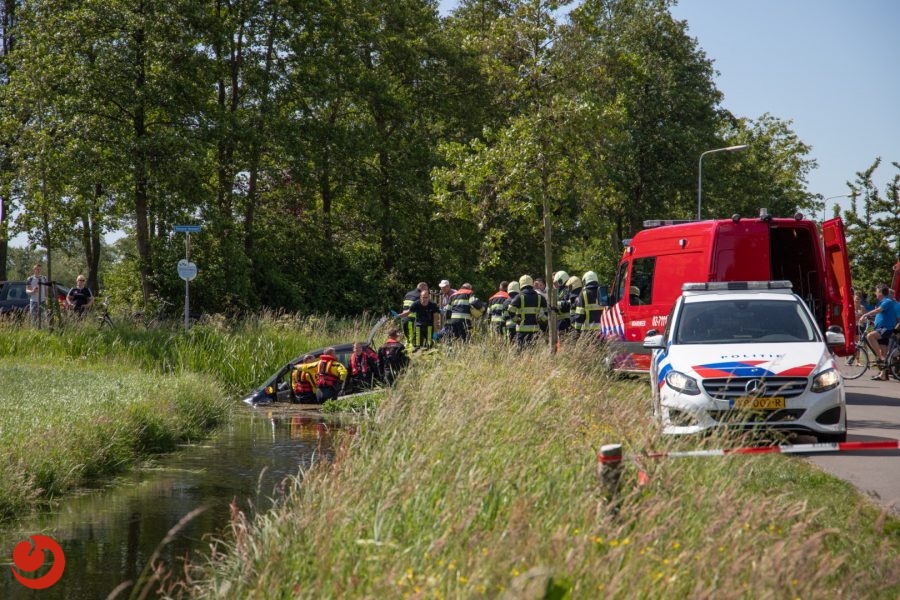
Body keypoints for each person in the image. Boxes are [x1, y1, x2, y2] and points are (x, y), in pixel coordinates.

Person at [860, 284, 899, 380]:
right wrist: (872, 319)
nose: (875, 293)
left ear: (880, 292)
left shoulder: (887, 301)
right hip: (881, 328)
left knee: (870, 336)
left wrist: (865, 315)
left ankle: (880, 357)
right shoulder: (884, 302)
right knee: (883, 350)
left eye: (876, 291)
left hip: (885, 328)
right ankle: (883, 375)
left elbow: (878, 310)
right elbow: (882, 315)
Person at [508, 275, 548, 348]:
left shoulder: (518, 297)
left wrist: (517, 320)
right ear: (531, 283)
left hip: (522, 331)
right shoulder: (540, 297)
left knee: (521, 352)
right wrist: (541, 320)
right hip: (535, 330)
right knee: (532, 352)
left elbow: (510, 310)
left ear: (521, 284)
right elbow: (546, 313)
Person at [573, 271, 603, 341]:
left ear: (586, 280)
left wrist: (577, 330)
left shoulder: (583, 294)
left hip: (588, 332)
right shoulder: (603, 292)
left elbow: (580, 314)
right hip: (603, 331)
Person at [401, 282, 429, 347]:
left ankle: (408, 351)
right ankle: (411, 354)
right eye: (426, 288)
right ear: (422, 287)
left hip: (404, 319)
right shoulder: (420, 296)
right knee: (412, 340)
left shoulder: (408, 294)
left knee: (408, 338)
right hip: (411, 320)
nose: (427, 290)